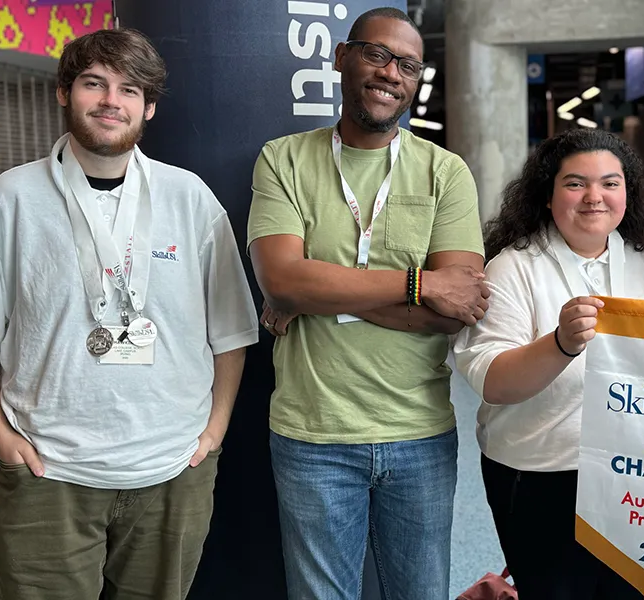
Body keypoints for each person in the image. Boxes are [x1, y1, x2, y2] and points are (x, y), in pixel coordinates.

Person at [0, 29, 259, 599]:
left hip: (171, 468)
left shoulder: (190, 197)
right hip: (48, 469)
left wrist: (214, 430)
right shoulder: (12, 197)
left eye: (130, 89)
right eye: (95, 83)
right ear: (65, 92)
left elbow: (231, 331)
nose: (112, 100)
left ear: (149, 107)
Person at [247, 7, 488, 599]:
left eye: (408, 64)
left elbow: (459, 302)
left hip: (420, 433)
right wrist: (418, 283)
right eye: (378, 54)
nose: (391, 74)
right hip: (313, 435)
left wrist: (316, 292)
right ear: (342, 57)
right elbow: (280, 280)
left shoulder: (444, 171)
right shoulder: (282, 159)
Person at [454, 128, 644, 599]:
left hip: (634, 476)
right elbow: (492, 380)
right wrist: (560, 344)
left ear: (628, 193)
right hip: (540, 475)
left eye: (610, 183)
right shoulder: (513, 268)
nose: (595, 196)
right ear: (547, 194)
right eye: (576, 183)